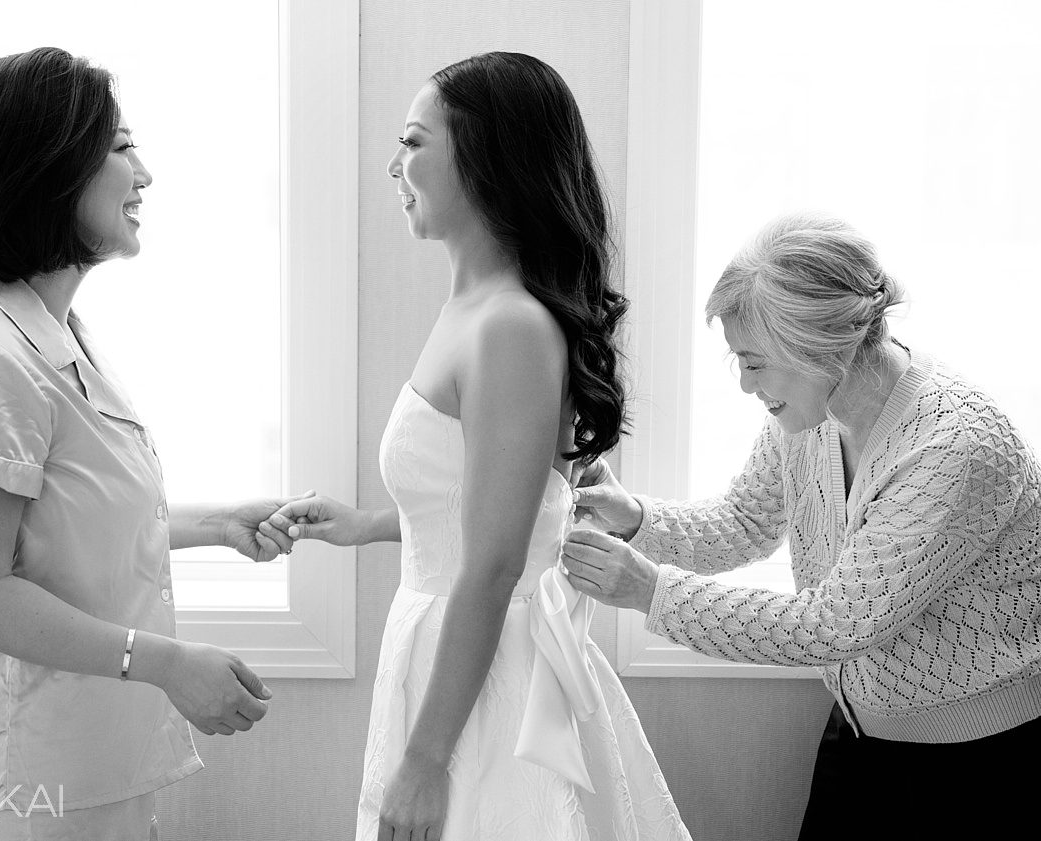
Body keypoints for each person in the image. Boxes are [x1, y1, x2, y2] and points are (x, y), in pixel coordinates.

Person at [262, 52, 690, 841]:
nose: (395, 165)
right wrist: (370, 523)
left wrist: (426, 758)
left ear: (486, 158)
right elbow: (495, 504)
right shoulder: (478, 309)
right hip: (453, 646)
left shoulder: (510, 326)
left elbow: (495, 564)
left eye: (414, 142)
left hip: (491, 679)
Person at [0, 47, 299, 840]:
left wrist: (218, 525)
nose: (144, 173)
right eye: (120, 147)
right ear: (48, 168)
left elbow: (58, 527)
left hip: (81, 766)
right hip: (20, 786)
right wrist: (166, 662)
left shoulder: (49, 334)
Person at [562, 212, 1041, 840]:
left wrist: (651, 591)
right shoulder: (814, 408)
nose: (743, 383)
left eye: (754, 363)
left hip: (980, 761)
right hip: (860, 729)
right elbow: (743, 521)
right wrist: (638, 520)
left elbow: (833, 625)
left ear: (822, 350)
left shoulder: (955, 446)